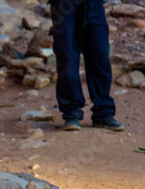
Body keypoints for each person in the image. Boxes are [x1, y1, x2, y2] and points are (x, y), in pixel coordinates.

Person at [49, 0, 125, 131]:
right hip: (65, 6)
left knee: (100, 56)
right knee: (67, 58)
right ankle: (72, 113)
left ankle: (103, 113)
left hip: (94, 4)